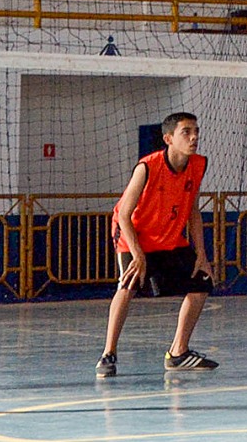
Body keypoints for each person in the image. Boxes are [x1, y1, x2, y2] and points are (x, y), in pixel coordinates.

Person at [96, 112, 218, 377]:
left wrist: (201, 254)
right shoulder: (147, 167)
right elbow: (125, 214)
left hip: (169, 235)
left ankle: (178, 352)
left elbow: (193, 210)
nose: (194, 136)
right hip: (133, 234)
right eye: (186, 132)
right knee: (127, 287)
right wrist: (138, 255)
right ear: (168, 138)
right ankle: (108, 354)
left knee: (202, 282)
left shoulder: (198, 165)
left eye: (196, 130)